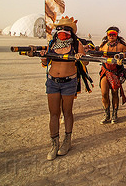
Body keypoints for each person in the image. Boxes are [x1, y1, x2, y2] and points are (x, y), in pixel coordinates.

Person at [33, 16, 88, 161]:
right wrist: (44, 58)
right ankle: (54, 144)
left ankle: (67, 140)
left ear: (71, 31)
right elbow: (46, 63)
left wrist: (80, 57)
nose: (62, 31)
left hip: (69, 82)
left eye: (66, 29)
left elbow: (86, 62)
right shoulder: (52, 44)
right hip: (52, 82)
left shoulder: (76, 45)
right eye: (60, 28)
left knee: (67, 111)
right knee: (54, 113)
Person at [98, 26, 126, 124]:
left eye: (113, 34)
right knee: (104, 94)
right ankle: (107, 114)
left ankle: (114, 114)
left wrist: (122, 59)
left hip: (116, 72)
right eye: (109, 34)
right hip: (105, 71)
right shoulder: (103, 46)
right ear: (107, 35)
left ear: (117, 35)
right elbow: (97, 54)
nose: (111, 36)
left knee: (115, 93)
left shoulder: (121, 46)